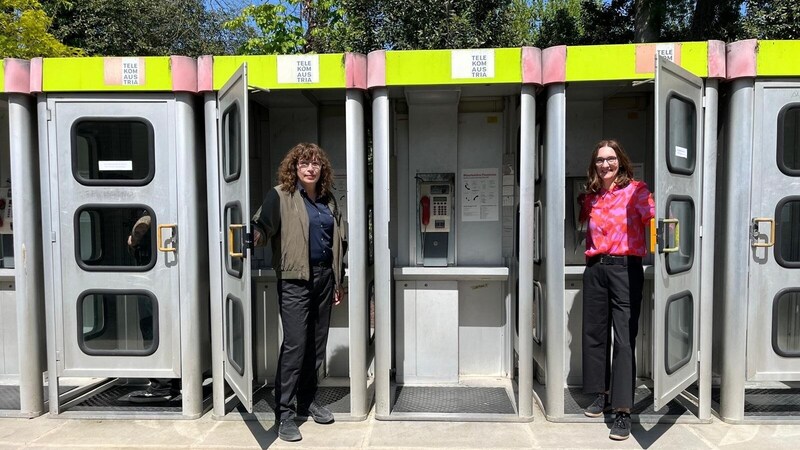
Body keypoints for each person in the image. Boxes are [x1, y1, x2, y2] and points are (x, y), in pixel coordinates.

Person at [251, 142, 346, 442]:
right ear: (294, 167)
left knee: (316, 347)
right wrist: (250, 237)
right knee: (295, 345)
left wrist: (337, 281)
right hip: (294, 280)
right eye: (304, 163)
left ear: (322, 169)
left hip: (323, 280)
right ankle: (285, 414)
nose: (310, 168)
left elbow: (338, 241)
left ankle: (307, 401)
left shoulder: (328, 201)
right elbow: (262, 226)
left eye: (315, 163)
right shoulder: (281, 195)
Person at [578, 139, 654, 441]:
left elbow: (654, 218)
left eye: (610, 159)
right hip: (596, 268)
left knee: (623, 340)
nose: (605, 164)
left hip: (625, 268)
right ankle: (601, 394)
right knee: (594, 333)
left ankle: (623, 411)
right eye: (599, 160)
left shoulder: (636, 190)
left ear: (620, 162)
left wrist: (667, 241)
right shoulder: (592, 197)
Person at [125, 211, 180, 403]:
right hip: (167, 283)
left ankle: (160, 386)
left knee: (152, 330)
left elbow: (136, 236)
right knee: (167, 331)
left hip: (151, 281)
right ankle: (173, 383)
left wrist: (133, 240)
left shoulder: (149, 215)